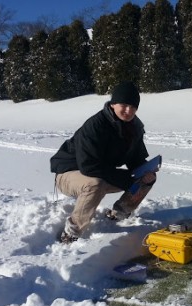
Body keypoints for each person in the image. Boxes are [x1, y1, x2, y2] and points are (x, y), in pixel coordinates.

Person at [50, 81, 157, 243]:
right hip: (68, 174)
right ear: (114, 104)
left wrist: (144, 173)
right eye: (124, 105)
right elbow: (88, 166)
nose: (128, 110)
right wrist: (124, 178)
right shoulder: (95, 126)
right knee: (95, 183)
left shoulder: (134, 127)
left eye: (133, 107)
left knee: (145, 177)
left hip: (99, 173)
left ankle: (120, 212)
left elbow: (136, 159)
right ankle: (71, 232)